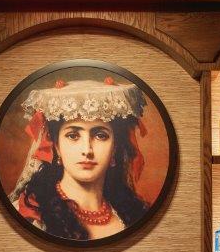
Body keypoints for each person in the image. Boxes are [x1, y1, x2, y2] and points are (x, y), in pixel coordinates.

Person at [8, 76, 150, 241]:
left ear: (115, 148)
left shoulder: (135, 215)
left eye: (100, 135)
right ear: (56, 147)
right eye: (73, 135)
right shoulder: (30, 215)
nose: (87, 150)